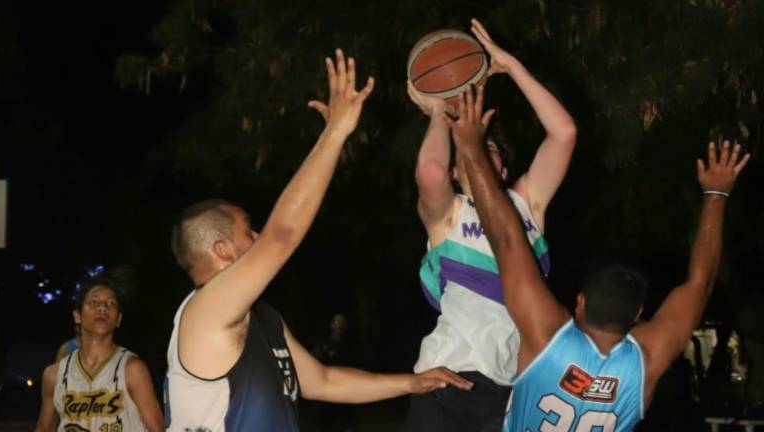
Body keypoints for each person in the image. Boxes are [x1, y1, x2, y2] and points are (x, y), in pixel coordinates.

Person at [164, 49, 472, 432]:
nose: (257, 235)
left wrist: (412, 382)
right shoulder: (204, 311)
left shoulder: (263, 318)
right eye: (248, 229)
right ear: (222, 250)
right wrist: (335, 133)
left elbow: (322, 381)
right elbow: (281, 236)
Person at [447, 83, 749, 431]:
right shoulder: (646, 361)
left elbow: (505, 239)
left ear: (580, 300)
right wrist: (716, 195)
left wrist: (470, 149)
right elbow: (702, 282)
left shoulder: (547, 336)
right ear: (637, 313)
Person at [405, 18, 576, 431]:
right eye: (471, 150)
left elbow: (564, 132)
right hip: (443, 377)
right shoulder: (450, 214)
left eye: (491, 148)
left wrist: (512, 67)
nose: (480, 152)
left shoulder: (525, 206)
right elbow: (430, 173)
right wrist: (438, 112)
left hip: (508, 387)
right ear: (458, 171)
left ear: (503, 168)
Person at [35, 276, 164, 432]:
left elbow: (157, 429)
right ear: (77, 316)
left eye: (111, 304)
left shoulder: (132, 369)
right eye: (94, 302)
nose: (103, 308)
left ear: (118, 319)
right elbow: (44, 428)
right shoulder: (54, 375)